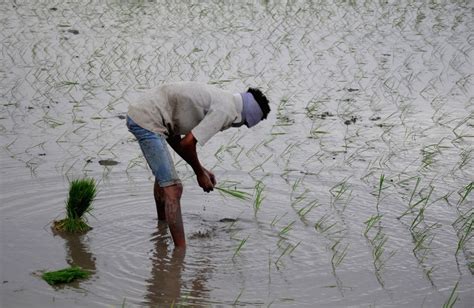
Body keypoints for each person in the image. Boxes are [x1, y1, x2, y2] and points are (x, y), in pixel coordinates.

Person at [126, 81, 271, 247]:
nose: (240, 126)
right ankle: (180, 253)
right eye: (245, 124)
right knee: (174, 189)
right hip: (148, 119)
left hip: (147, 113)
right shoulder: (227, 111)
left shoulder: (225, 100)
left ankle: (162, 229)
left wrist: (201, 169)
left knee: (164, 181)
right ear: (244, 117)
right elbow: (188, 143)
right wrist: (199, 174)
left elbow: (178, 141)